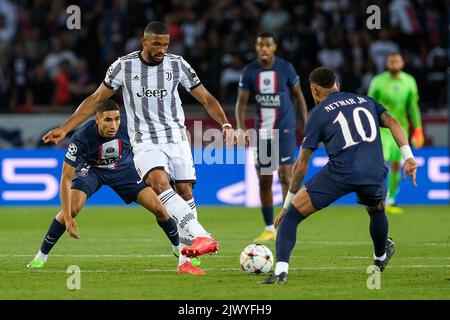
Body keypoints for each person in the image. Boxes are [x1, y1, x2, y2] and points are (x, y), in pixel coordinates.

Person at [42, 21, 235, 275]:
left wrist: (225, 123)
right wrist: (65, 128)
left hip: (176, 137)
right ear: (143, 41)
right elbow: (96, 99)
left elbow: (206, 98)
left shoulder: (178, 65)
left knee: (185, 191)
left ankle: (186, 260)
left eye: (165, 44)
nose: (161, 49)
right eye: (156, 44)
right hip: (144, 139)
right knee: (158, 183)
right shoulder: (123, 66)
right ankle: (201, 235)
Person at [260, 67, 418, 285]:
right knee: (376, 210)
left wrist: (287, 204)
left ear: (314, 91)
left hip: (341, 172)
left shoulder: (317, 114)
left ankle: (280, 273)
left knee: (291, 218)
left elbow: (302, 164)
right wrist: (407, 156)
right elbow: (393, 121)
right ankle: (380, 256)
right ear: (337, 85)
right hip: (373, 171)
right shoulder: (365, 100)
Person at [27, 100, 181, 270]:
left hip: (123, 168)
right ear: (97, 119)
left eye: (116, 119)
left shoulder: (130, 126)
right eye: (108, 120)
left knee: (159, 208)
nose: (113, 124)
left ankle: (178, 247)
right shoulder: (81, 137)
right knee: (71, 209)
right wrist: (68, 218)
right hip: (92, 169)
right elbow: (65, 178)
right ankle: (41, 256)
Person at [235, 32, 307, 242]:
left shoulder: (286, 68)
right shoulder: (249, 71)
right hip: (264, 133)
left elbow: (299, 97)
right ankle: (269, 227)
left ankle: (285, 224)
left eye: (268, 45)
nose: (264, 48)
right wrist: (240, 127)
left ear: (274, 47)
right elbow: (241, 102)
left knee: (286, 176)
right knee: (265, 181)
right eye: (260, 45)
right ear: (256, 49)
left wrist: (306, 124)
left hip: (285, 130)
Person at [368, 52, 423, 214]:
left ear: (402, 63)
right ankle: (378, 198)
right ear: (386, 63)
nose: (394, 62)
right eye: (390, 60)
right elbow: (369, 106)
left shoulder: (409, 81)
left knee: (396, 165)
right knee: (381, 162)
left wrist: (418, 129)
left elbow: (412, 107)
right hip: (382, 130)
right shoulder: (378, 81)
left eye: (397, 60)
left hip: (401, 128)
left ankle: (390, 200)